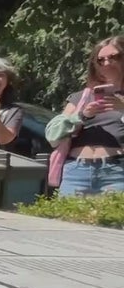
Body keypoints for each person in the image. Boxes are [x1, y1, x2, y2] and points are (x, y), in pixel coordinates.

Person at [46, 35, 124, 196]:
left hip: (116, 172)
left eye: (114, 57)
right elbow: (52, 134)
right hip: (76, 172)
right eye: (100, 60)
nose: (106, 63)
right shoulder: (81, 97)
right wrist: (82, 115)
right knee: (67, 213)